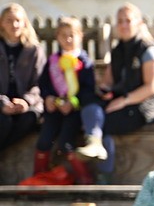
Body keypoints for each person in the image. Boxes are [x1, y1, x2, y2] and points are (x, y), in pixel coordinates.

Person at [94, 3, 154, 182]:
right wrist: (103, 91)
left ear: (139, 22)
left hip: (150, 106)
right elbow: (109, 81)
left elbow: (152, 87)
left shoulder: (148, 49)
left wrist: (123, 101)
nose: (123, 25)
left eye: (128, 21)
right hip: (126, 101)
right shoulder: (118, 50)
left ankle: (105, 175)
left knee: (105, 123)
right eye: (120, 21)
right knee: (91, 112)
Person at [27, 17, 100, 184]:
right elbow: (43, 84)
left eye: (72, 35)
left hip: (74, 112)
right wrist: (48, 98)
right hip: (54, 111)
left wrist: (73, 103)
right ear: (57, 37)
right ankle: (39, 178)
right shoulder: (52, 61)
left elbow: (88, 89)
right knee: (44, 141)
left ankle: (85, 179)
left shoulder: (85, 62)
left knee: (65, 142)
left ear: (80, 36)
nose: (68, 39)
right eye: (63, 35)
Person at [0, 3, 47, 159]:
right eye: (9, 20)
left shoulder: (34, 50)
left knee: (30, 119)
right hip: (3, 104)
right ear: (2, 23)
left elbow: (40, 83)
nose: (14, 25)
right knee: (4, 122)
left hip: (27, 105)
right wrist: (2, 103)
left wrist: (26, 101)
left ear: (24, 23)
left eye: (18, 20)